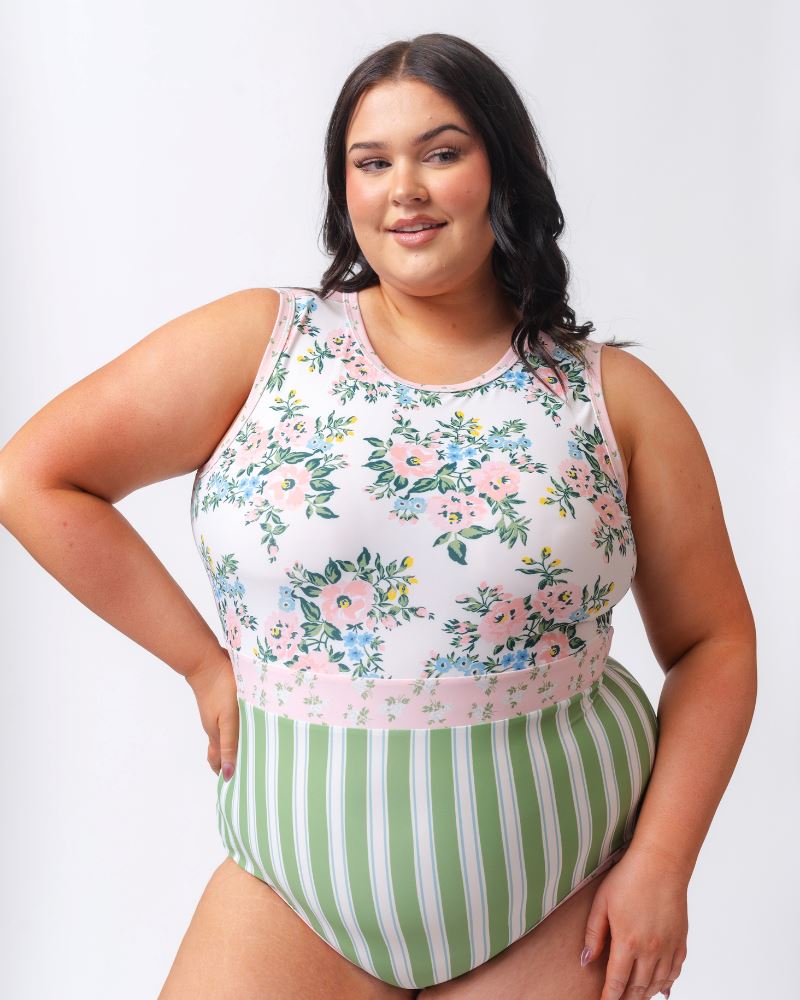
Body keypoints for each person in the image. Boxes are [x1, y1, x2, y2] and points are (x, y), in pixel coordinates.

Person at [0, 31, 756, 1000]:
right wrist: (200, 660)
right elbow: (33, 475)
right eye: (372, 162)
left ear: (502, 173)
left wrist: (660, 864)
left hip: (561, 891)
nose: (404, 187)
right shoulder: (261, 344)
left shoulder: (614, 399)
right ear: (344, 189)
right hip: (290, 892)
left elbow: (713, 642)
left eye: (440, 152)